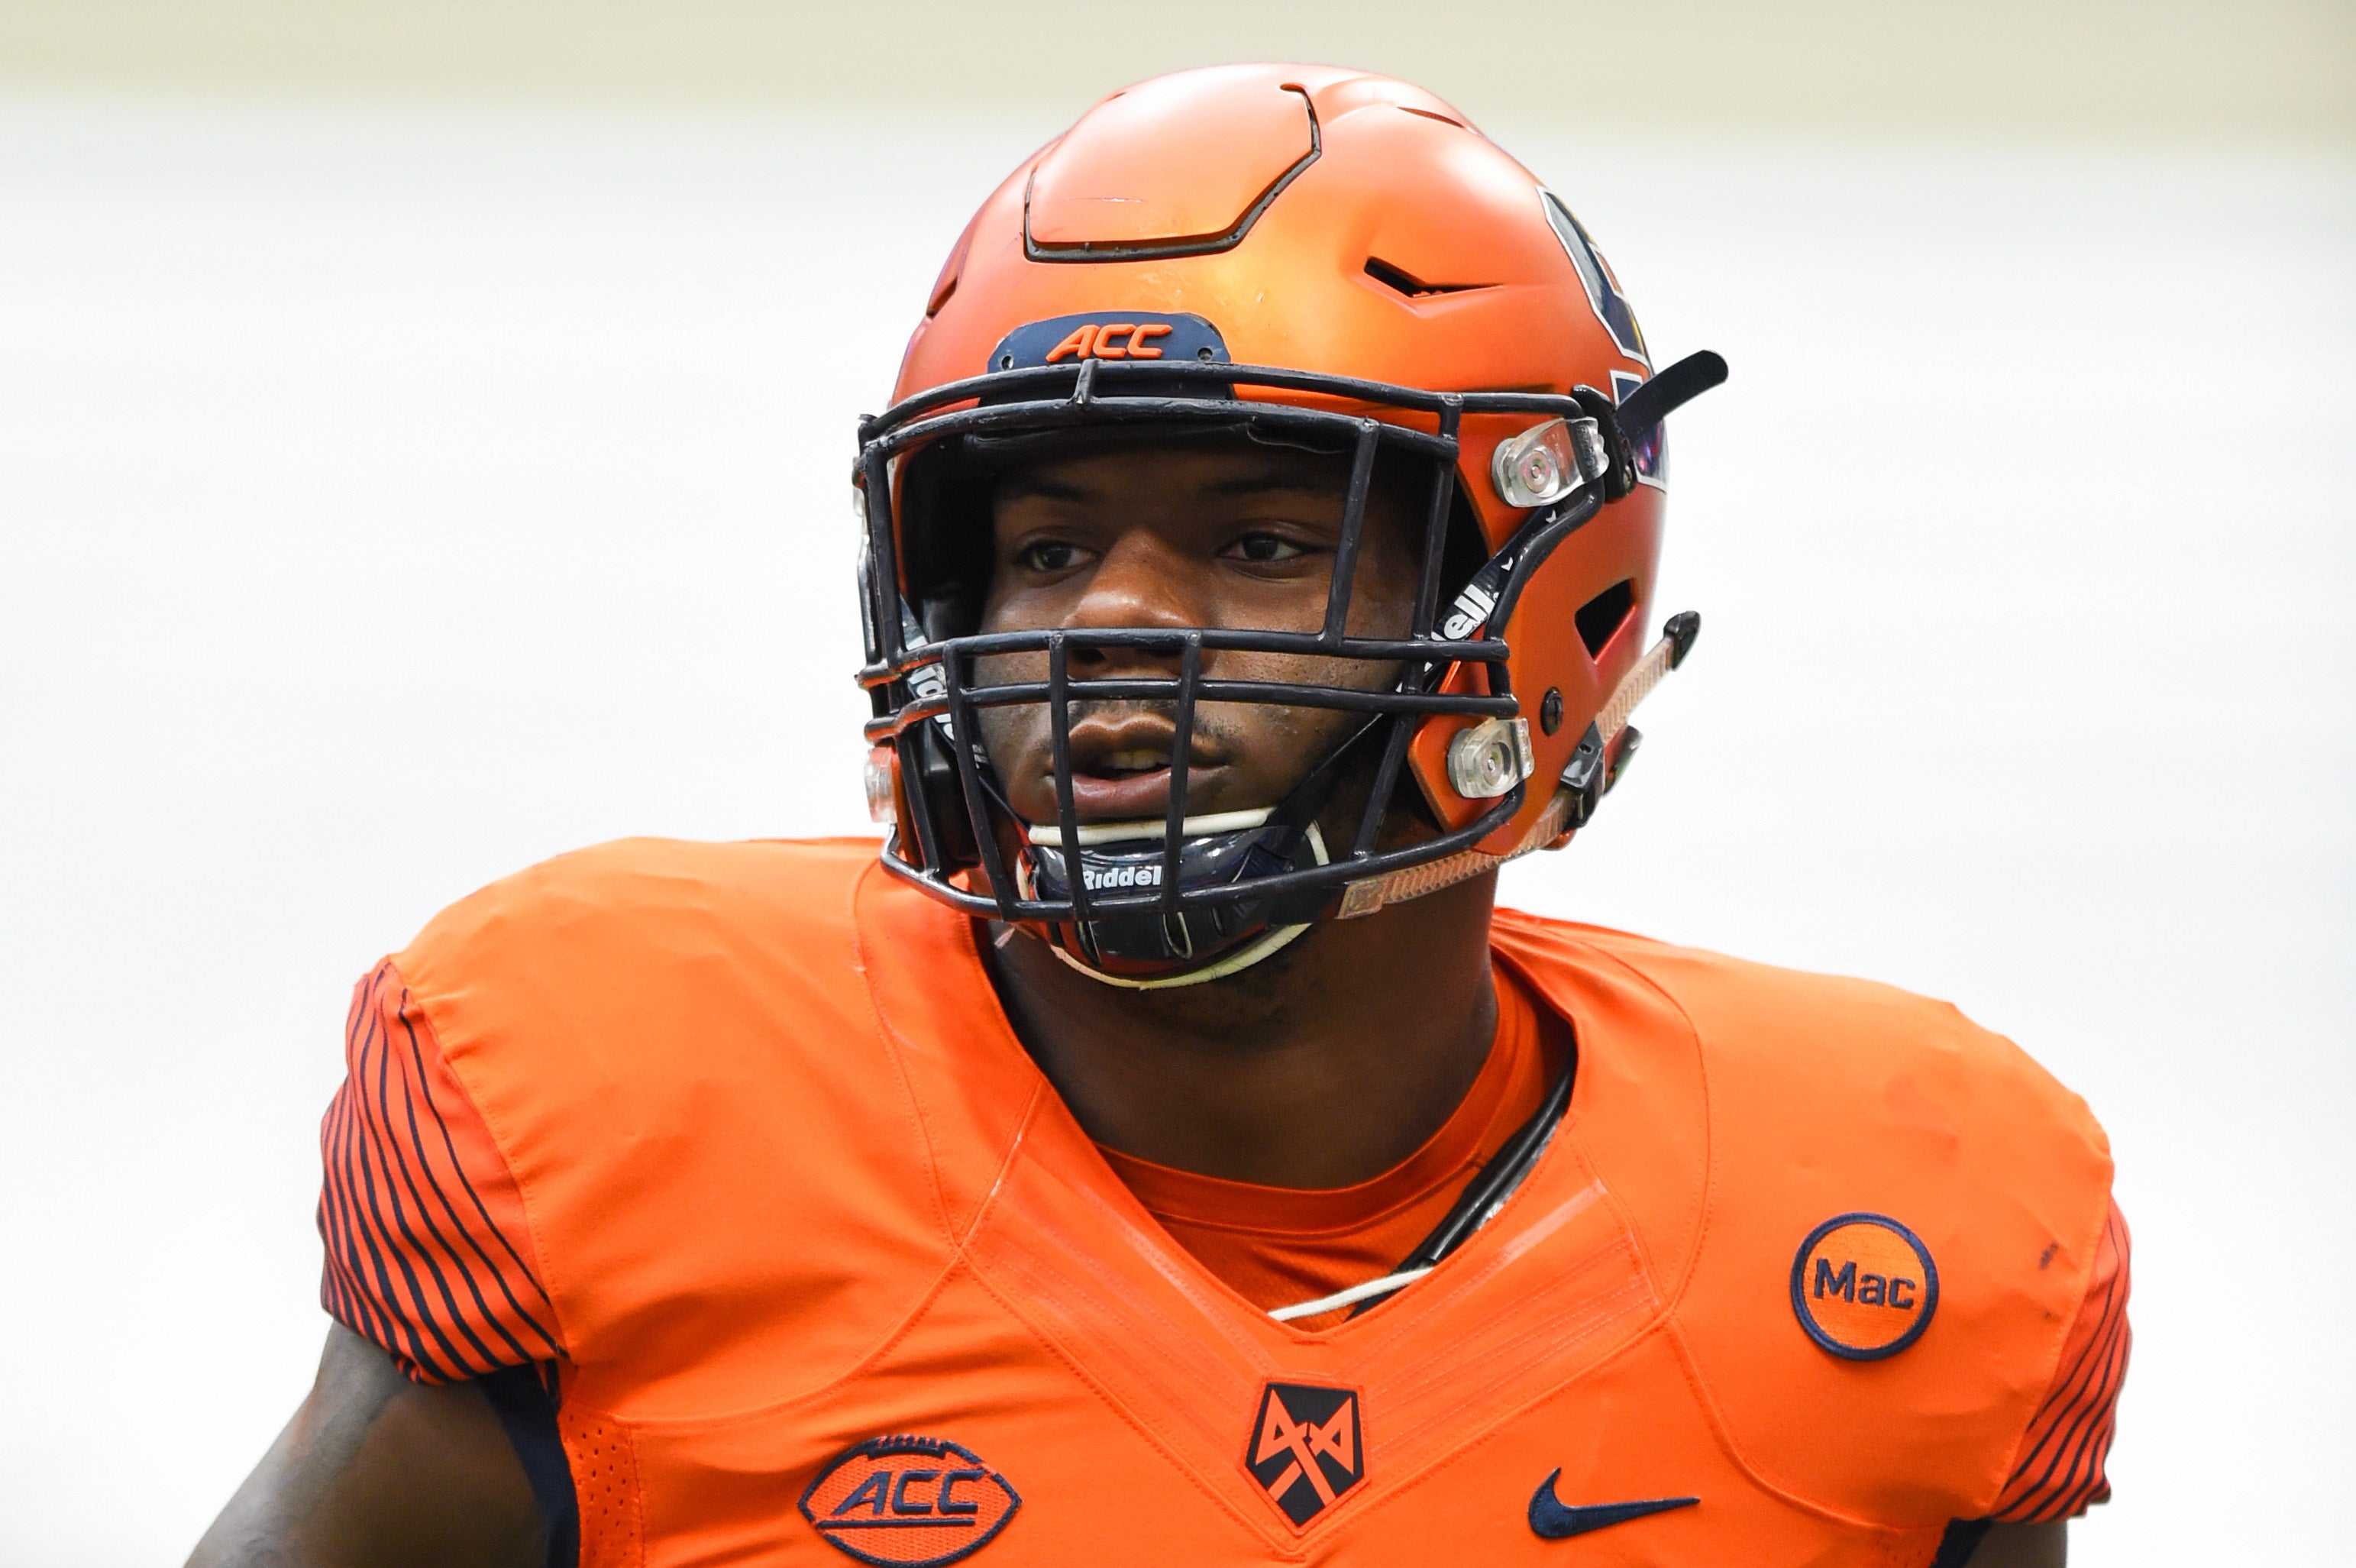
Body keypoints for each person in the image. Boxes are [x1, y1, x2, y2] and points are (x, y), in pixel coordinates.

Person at [190, 63, 2125, 1568]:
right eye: (1039, 548)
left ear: (1550, 599)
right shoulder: (609, 1087)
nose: (1105, 624)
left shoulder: (1909, 1218)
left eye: (1266, 541)